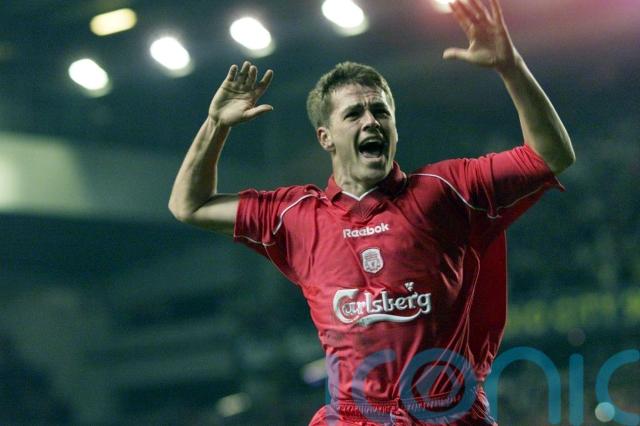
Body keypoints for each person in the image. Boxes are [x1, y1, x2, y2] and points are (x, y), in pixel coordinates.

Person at [168, 0, 575, 424]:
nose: (371, 121)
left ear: (395, 126)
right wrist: (216, 125)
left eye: (381, 111)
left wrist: (510, 66)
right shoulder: (295, 216)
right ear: (325, 137)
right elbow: (188, 205)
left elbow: (550, 155)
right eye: (354, 113)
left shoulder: (446, 190)